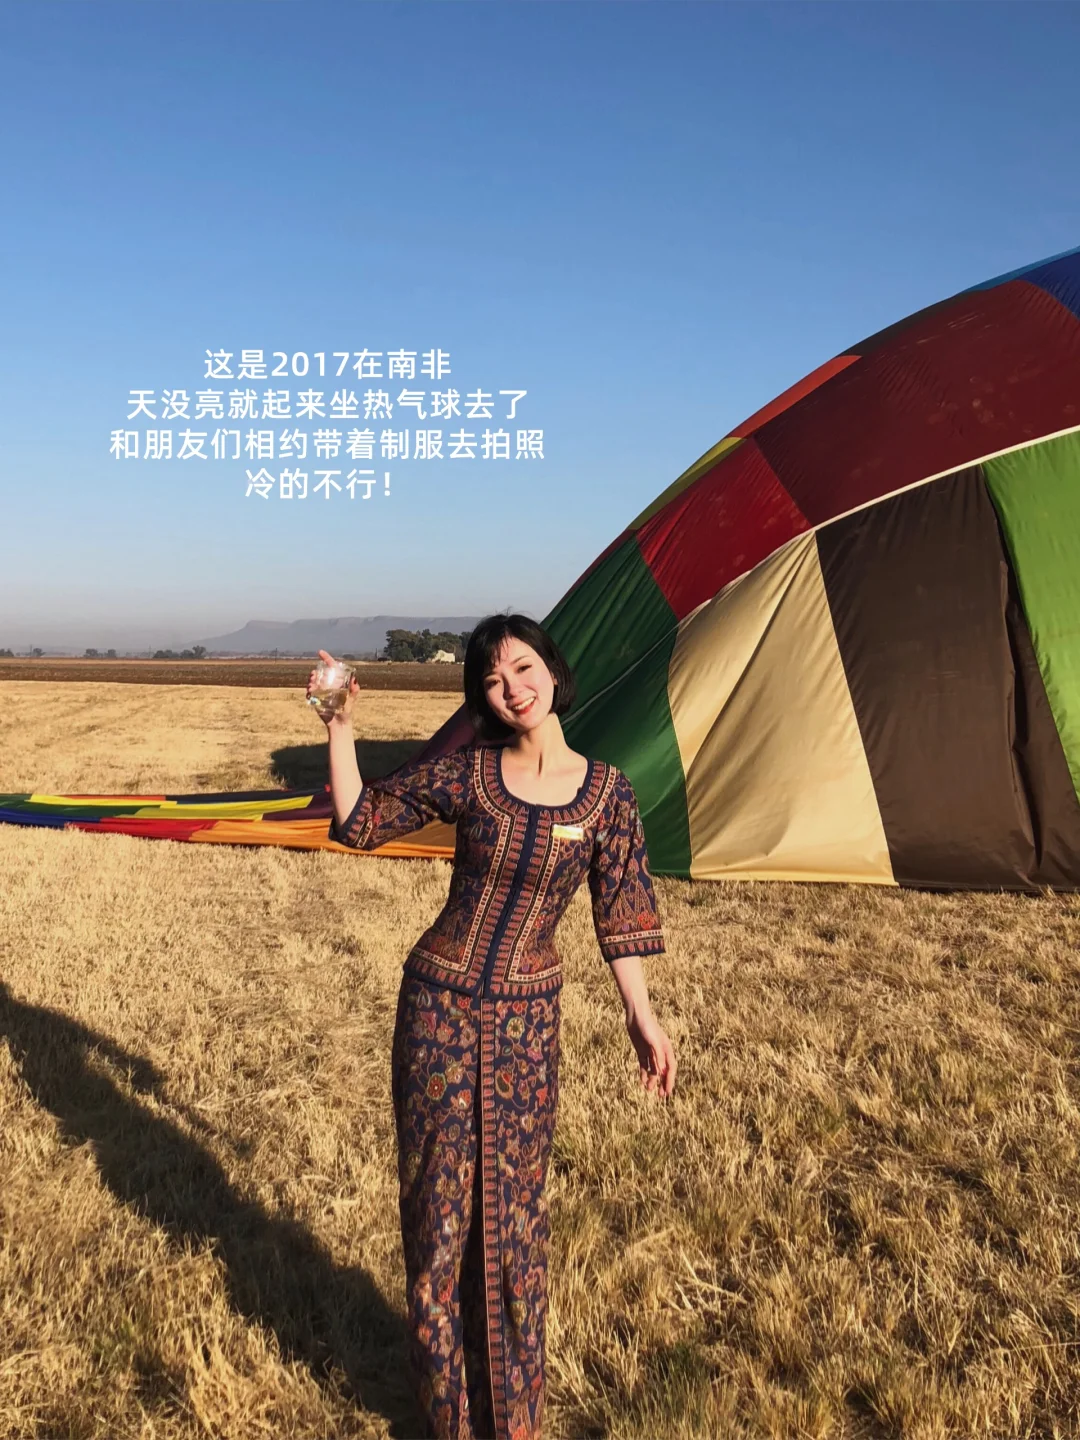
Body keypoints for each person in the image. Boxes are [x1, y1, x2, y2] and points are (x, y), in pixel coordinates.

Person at [308, 614, 676, 1440]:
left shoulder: (608, 794)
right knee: (438, 1212)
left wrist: (641, 1016)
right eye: (492, 679)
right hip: (437, 1010)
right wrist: (341, 727)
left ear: (552, 669)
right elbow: (359, 822)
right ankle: (448, 1417)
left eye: (522, 667)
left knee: (513, 1215)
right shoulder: (469, 774)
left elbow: (621, 911)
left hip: (526, 1026)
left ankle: (513, 1419)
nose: (512, 688)